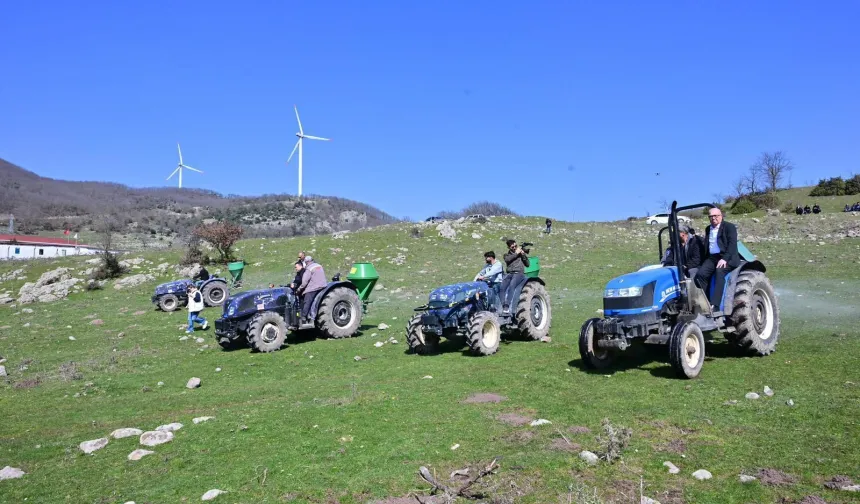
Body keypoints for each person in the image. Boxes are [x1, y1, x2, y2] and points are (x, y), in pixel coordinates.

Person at [695, 208, 740, 311]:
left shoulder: (729, 227)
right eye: (711, 216)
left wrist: (724, 259)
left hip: (728, 257)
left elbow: (732, 244)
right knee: (700, 274)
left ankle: (715, 305)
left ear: (721, 216)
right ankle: (705, 303)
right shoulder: (708, 229)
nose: (713, 218)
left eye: (716, 216)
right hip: (713, 258)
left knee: (720, 271)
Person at [499, 239, 530, 314]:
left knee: (512, 285)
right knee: (502, 287)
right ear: (509, 247)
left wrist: (523, 255)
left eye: (516, 246)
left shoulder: (521, 254)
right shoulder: (506, 255)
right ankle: (503, 306)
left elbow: (528, 264)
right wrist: (516, 253)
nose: (515, 247)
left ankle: (507, 306)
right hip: (509, 274)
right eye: (513, 247)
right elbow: (508, 260)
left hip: (519, 273)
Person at [297, 257, 326, 325]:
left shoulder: (309, 269)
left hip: (314, 287)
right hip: (323, 285)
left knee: (307, 299)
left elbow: (304, 283)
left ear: (306, 262)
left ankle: (304, 317)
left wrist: (299, 290)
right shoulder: (319, 265)